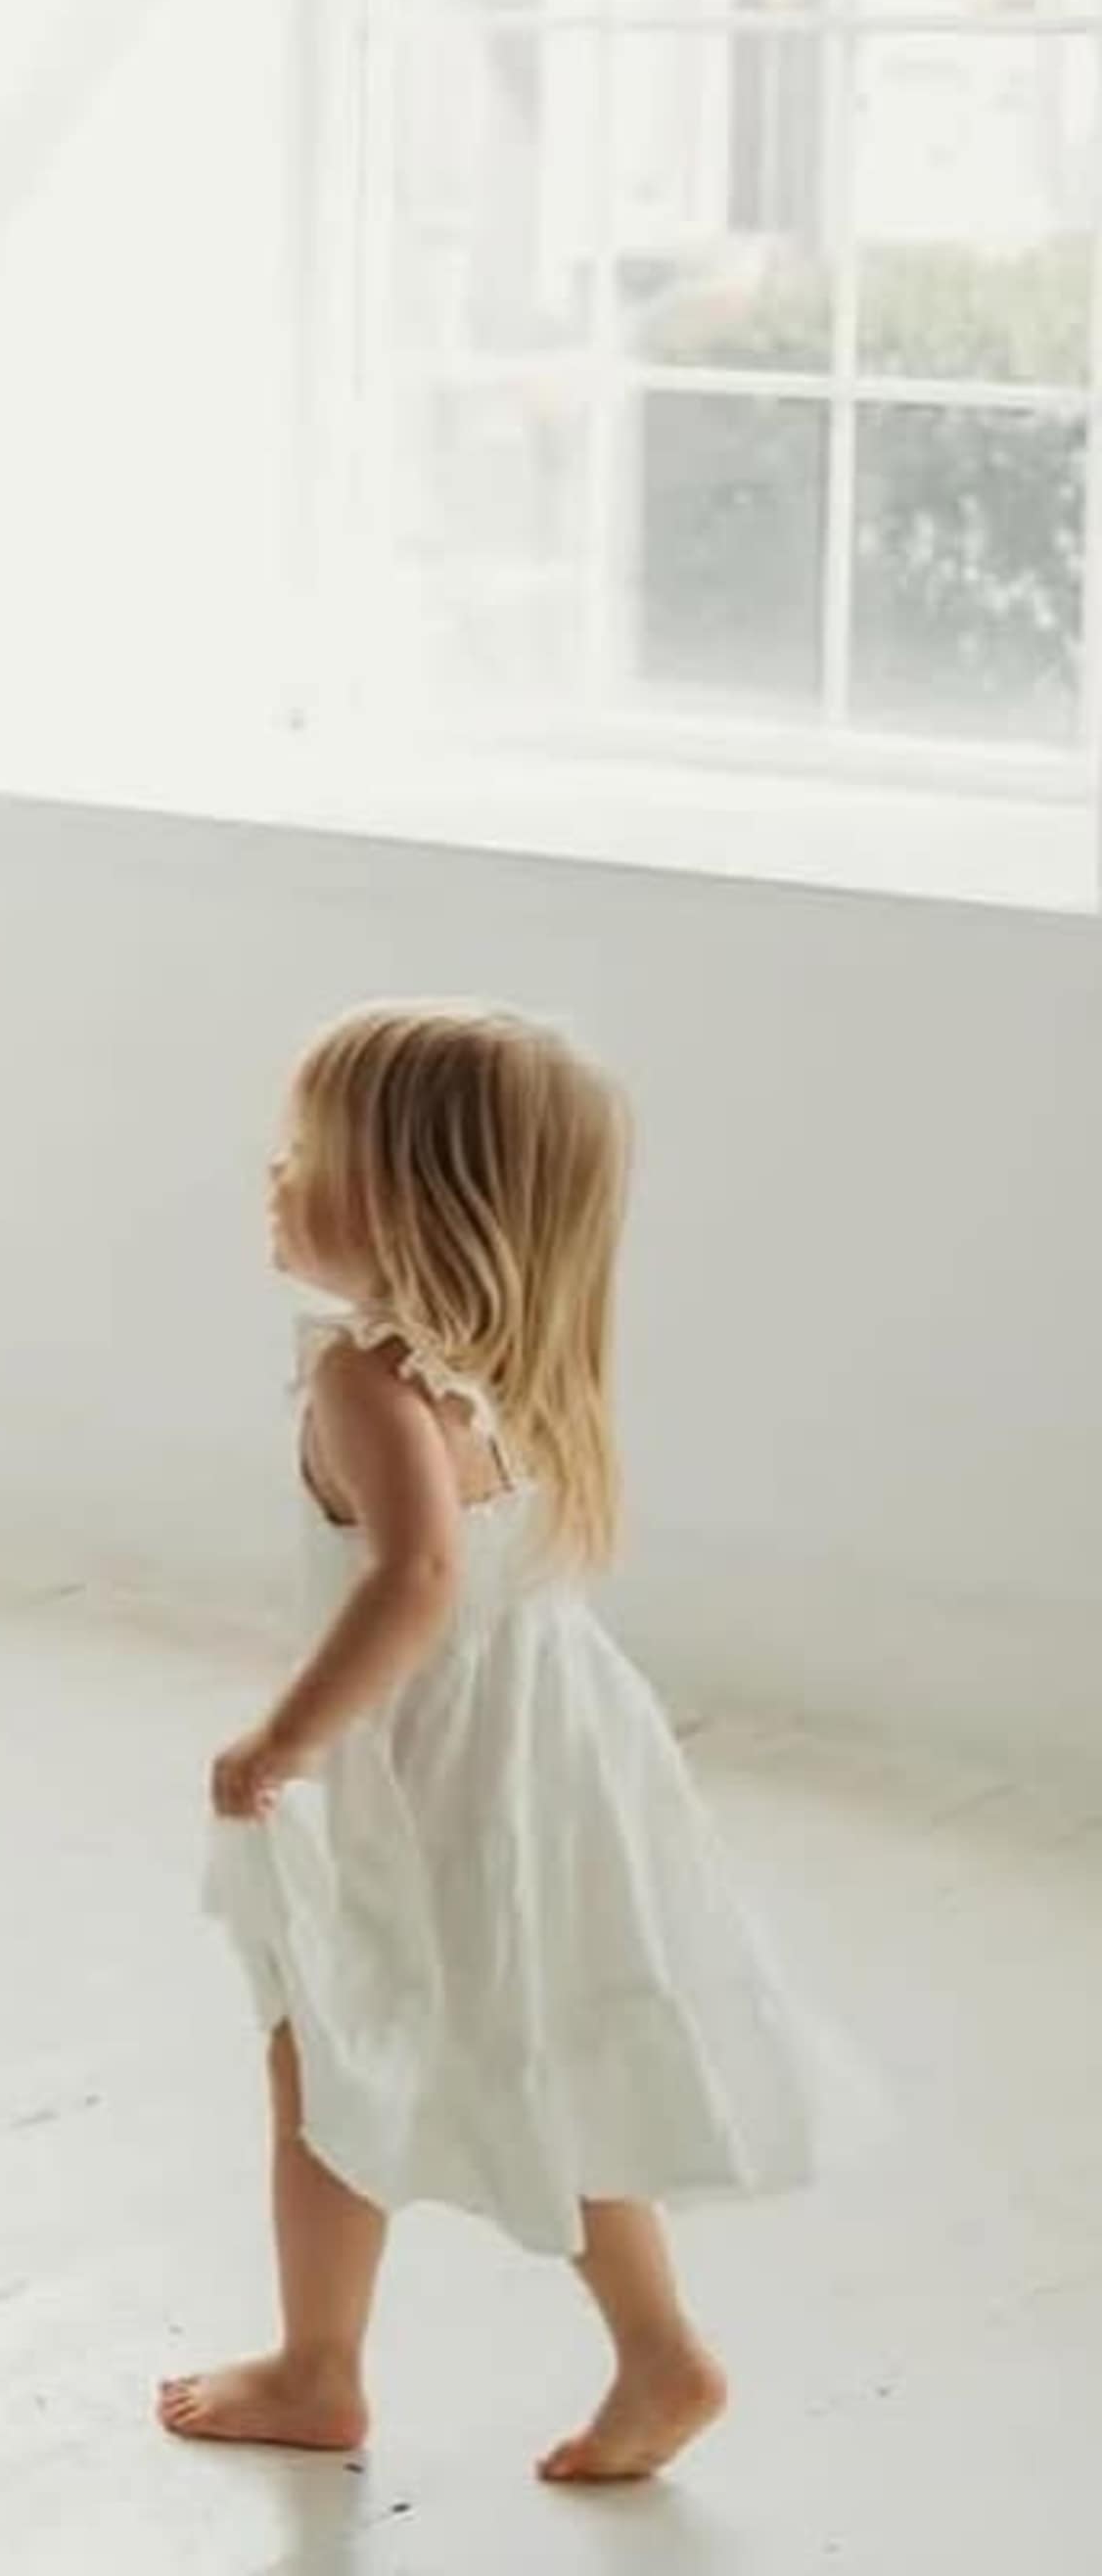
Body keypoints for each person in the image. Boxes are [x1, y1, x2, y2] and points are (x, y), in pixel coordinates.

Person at [161, 1000, 864, 2487]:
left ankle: (318, 2363)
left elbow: (415, 1581)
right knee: (530, 2049)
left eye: (308, 1155)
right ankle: (658, 2347)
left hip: (414, 1771)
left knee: (325, 2050)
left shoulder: (364, 1380)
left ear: (413, 1201)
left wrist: (279, 1737)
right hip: (539, 1763)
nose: (270, 1177)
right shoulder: (502, 1373)